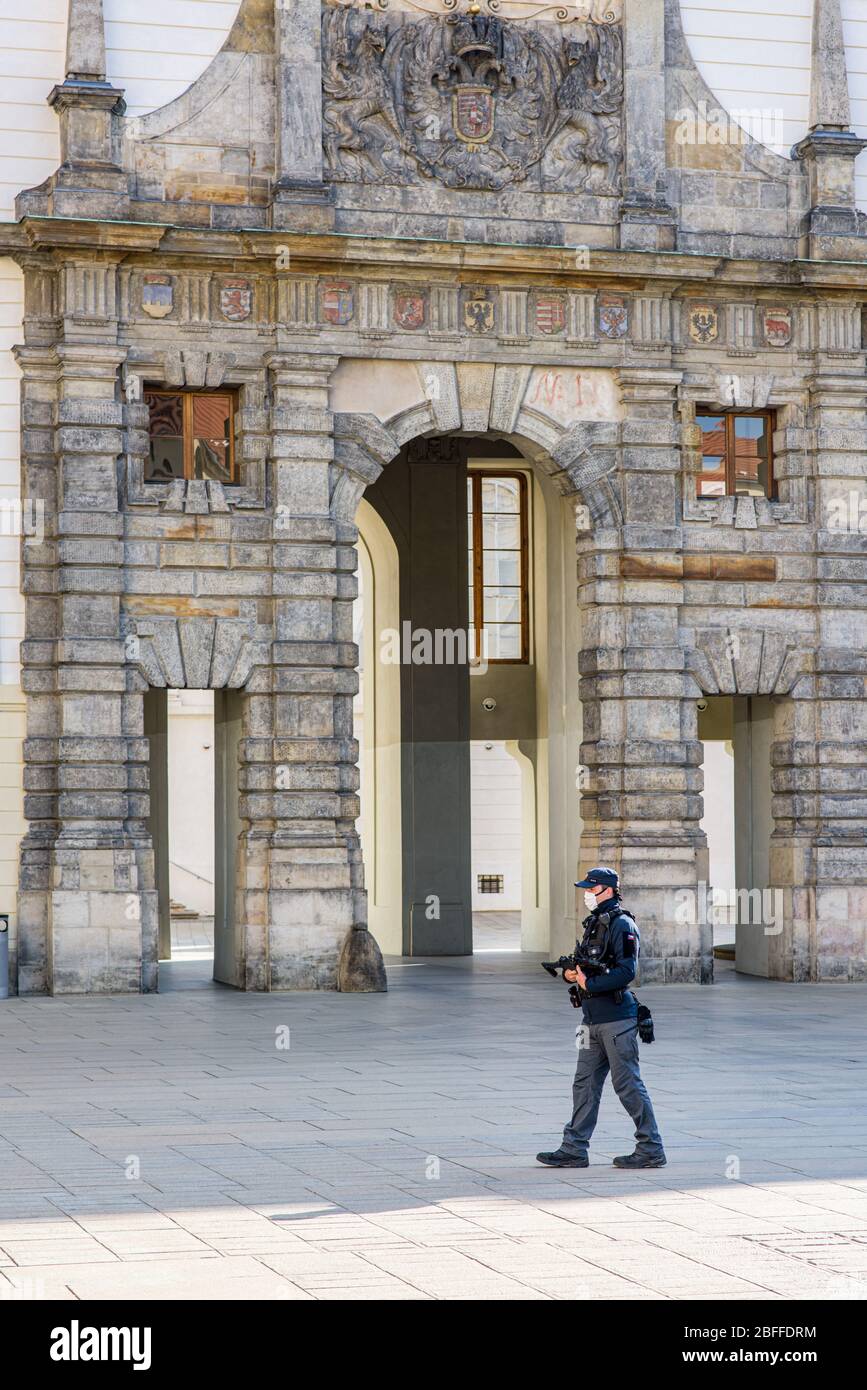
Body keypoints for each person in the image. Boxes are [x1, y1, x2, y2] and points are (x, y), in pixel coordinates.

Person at [537, 866, 666, 1169]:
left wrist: (588, 984)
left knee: (627, 1085)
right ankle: (574, 1149)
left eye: (591, 890)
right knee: (584, 1084)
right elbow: (590, 965)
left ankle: (651, 1148)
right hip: (591, 1020)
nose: (586, 895)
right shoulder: (595, 923)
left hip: (617, 1020)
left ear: (607, 890)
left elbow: (627, 972)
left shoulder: (623, 924)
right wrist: (573, 974)